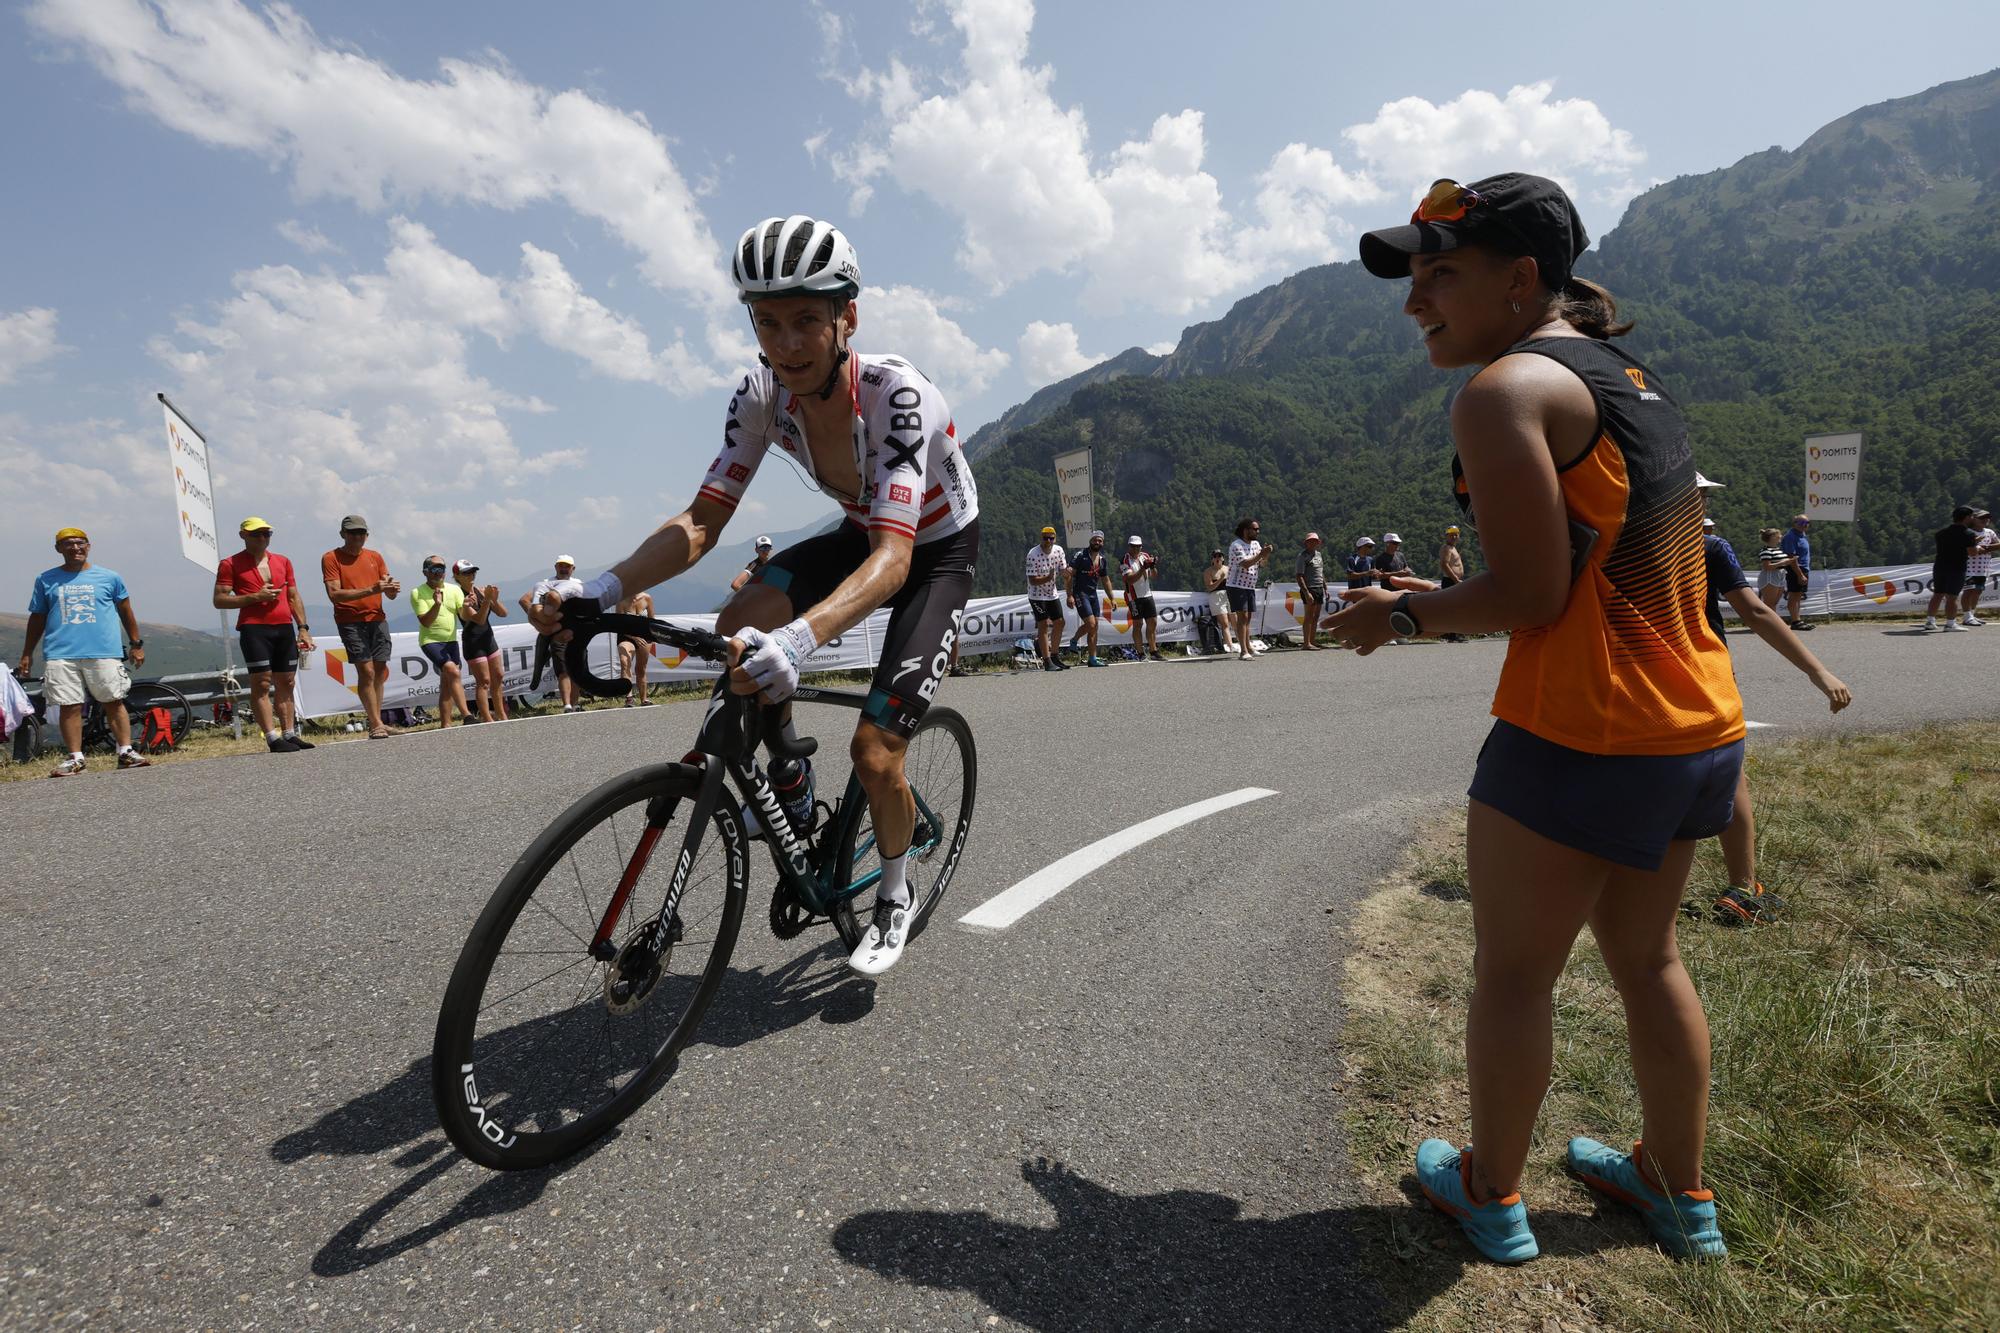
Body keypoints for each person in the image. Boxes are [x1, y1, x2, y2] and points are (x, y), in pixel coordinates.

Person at [1337, 172, 1747, 1263]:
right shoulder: (1624, 374)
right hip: (1696, 721)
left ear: (1519, 279)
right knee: (1649, 959)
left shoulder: (1501, 392)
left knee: (1514, 975)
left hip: (1581, 730)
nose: (1416, 298)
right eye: (1413, 275)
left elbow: (1529, 594)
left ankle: (1489, 1191)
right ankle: (1675, 1189)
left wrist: (1402, 612)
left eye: (1442, 274)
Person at [531, 214, 980, 978]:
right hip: (859, 530)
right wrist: (602, 586)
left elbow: (894, 558)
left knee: (876, 753)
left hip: (930, 549)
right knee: (738, 623)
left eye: (808, 320)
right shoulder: (760, 396)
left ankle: (896, 894)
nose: (788, 343)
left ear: (849, 319)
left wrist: (799, 642)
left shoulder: (898, 397)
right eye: (767, 323)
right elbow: (704, 521)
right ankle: (791, 779)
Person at [1697, 492, 1851, 924]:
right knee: (1729, 774)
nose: (1705, 506)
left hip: (1626, 674)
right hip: (1702, 672)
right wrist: (1818, 672)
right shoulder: (1709, 547)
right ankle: (1743, 889)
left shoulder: (1610, 541)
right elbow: (1756, 612)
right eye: (1701, 496)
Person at [16, 527, 151, 775]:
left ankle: (125, 752)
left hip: (103, 650)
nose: (75, 547)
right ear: (58, 549)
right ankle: (75, 758)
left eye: (80, 543)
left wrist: (136, 644)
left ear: (88, 546)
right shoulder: (45, 579)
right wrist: (27, 652)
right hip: (60, 653)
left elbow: (126, 611)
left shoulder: (110, 577)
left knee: (113, 700)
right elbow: (37, 617)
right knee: (69, 705)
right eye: (68, 544)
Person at [215, 517, 315, 754]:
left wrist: (303, 627)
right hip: (254, 628)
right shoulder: (230, 563)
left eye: (266, 534)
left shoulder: (283, 561)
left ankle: (290, 733)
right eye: (256, 534)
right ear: (243, 536)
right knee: (261, 683)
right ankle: (272, 737)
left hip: (283, 627)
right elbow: (219, 599)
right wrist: (254, 598)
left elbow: (293, 595)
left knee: (287, 682)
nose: (262, 538)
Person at [322, 515, 400, 739]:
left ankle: (378, 721)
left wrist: (391, 589)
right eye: (352, 533)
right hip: (350, 621)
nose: (357, 537)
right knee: (365, 671)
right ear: (343, 534)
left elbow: (388, 592)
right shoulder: (331, 557)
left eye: (361, 533)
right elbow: (334, 594)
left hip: (377, 618)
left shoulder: (375, 556)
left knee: (379, 671)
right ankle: (375, 723)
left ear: (367, 535)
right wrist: (372, 590)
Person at [413, 555, 470, 727]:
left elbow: (464, 617)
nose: (440, 573)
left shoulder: (454, 590)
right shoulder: (418, 592)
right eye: (435, 569)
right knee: (452, 671)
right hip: (430, 641)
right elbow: (426, 622)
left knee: (447, 683)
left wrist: (467, 606)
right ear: (426, 572)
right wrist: (437, 604)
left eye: (442, 569)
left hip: (451, 641)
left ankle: (445, 724)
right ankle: (467, 715)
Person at [522, 556, 585, 712]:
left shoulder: (579, 584)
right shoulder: (546, 584)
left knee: (577, 670)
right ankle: (567, 705)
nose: (564, 569)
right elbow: (524, 600)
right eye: (561, 566)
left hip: (577, 633)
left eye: (567, 566)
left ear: (573, 568)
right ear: (555, 567)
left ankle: (575, 704)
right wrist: (538, 619)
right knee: (563, 670)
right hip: (556, 633)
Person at [453, 559, 509, 723]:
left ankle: (501, 714)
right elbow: (479, 619)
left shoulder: (480, 590)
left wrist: (494, 600)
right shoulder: (459, 596)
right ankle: (487, 718)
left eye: (472, 572)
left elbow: (503, 613)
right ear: (457, 576)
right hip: (473, 642)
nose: (471, 575)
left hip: (488, 639)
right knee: (484, 681)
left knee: (498, 676)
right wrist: (486, 601)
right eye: (466, 573)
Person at [1924, 505, 1983, 632]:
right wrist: (1976, 546)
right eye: (1972, 516)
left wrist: (1972, 541)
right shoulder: (1969, 533)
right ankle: (1950, 624)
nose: (1972, 518)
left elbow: (1952, 544)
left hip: (1940, 566)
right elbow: (1972, 553)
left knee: (1938, 594)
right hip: (1956, 568)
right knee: (1952, 597)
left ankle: (1930, 621)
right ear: (1967, 517)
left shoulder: (1941, 533)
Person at [1225, 519, 1274, 660]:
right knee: (1243, 617)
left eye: (1258, 529)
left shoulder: (1256, 544)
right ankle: (1243, 651)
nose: (1258, 532)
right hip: (1236, 585)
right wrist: (1261, 554)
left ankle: (1249, 647)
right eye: (1255, 529)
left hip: (1249, 585)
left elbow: (1261, 564)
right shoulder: (1236, 545)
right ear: (1246, 530)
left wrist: (1266, 554)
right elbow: (1245, 564)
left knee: (1248, 618)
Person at [1025, 526, 1070, 671]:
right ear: (1041, 538)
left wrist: (1067, 574)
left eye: (1051, 538)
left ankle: (1055, 655)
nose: (1049, 541)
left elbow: (1064, 570)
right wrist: (1048, 577)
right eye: (1046, 538)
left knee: (1060, 622)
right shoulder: (1033, 554)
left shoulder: (1058, 550)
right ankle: (1046, 660)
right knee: (1043, 624)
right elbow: (1032, 580)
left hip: (1052, 594)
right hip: (1036, 595)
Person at [1068, 531, 1111, 667]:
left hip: (1093, 595)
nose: (1097, 543)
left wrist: (1112, 598)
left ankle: (1092, 658)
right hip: (1080, 593)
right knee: (1091, 624)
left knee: (1094, 627)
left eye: (1100, 541)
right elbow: (1069, 575)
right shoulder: (1081, 555)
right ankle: (1074, 639)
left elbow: (1105, 580)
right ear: (1090, 541)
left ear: (1102, 543)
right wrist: (1070, 595)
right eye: (1095, 540)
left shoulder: (1103, 560)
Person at [1122, 535, 1164, 661]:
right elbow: (1129, 580)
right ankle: (1140, 653)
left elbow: (1154, 576)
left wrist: (1152, 566)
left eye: (1138, 546)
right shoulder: (1124, 560)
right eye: (1133, 546)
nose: (1135, 549)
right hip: (1133, 597)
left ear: (1141, 546)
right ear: (1129, 546)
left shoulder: (1144, 556)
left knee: (1153, 622)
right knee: (1138, 624)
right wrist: (1142, 568)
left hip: (1147, 594)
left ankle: (1153, 650)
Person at [617, 589, 657, 704]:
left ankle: (644, 699)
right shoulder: (621, 601)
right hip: (626, 635)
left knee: (641, 669)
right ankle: (629, 697)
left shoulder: (647, 598)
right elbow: (618, 624)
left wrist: (653, 637)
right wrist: (634, 638)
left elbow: (652, 620)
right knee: (624, 662)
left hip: (644, 636)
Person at [1962, 507, 1996, 626]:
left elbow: (1997, 543)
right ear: (1974, 519)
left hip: (1984, 568)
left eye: (1987, 518)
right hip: (1969, 567)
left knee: (1977, 592)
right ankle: (1967, 616)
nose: (1985, 520)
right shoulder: (1968, 532)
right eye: (1981, 518)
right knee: (1969, 591)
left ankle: (1972, 615)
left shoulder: (1989, 532)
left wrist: (1988, 548)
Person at [1295, 532, 1328, 649]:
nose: (1313, 543)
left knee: (1316, 616)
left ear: (1318, 543)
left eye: (1315, 541)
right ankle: (1306, 643)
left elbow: (1320, 572)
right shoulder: (1302, 556)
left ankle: (1312, 641)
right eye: (1310, 541)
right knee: (1309, 616)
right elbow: (1299, 576)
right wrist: (1306, 592)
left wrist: (1325, 587)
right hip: (1309, 588)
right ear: (1306, 543)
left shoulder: (1318, 554)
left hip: (1319, 587)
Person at [1780, 514, 1813, 630]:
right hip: (1795, 569)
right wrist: (1799, 574)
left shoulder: (1802, 535)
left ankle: (1798, 619)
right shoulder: (1790, 537)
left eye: (1807, 523)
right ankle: (1795, 621)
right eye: (1801, 523)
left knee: (1798, 595)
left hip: (1803, 568)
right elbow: (1791, 557)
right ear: (1794, 524)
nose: (1804, 526)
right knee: (1794, 595)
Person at [1202, 548, 1236, 655]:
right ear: (1212, 559)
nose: (1218, 558)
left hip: (1229, 595)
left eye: (1219, 556)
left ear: (1223, 558)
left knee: (1236, 622)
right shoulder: (1208, 572)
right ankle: (1230, 646)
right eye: (1215, 556)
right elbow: (1209, 587)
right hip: (1216, 596)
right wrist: (1221, 579)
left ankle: (1244, 644)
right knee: (1225, 623)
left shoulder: (1228, 569)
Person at [1437, 525, 1468, 642]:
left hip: (1454, 580)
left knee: (1455, 607)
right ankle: (1451, 634)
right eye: (1451, 534)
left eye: (1456, 534)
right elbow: (1444, 564)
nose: (1454, 536)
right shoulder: (1446, 548)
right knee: (1452, 607)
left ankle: (1452, 633)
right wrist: (1455, 579)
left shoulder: (1453, 548)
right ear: (1446, 536)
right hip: (1450, 581)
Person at [1753, 527, 1794, 613]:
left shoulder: (1778, 549)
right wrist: (1783, 562)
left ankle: (1771, 623)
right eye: (1778, 535)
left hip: (1780, 575)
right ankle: (1767, 624)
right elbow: (1767, 567)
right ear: (1772, 537)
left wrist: (1788, 562)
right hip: (1770, 576)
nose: (1781, 536)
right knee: (1769, 603)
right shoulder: (1766, 551)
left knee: (1774, 603)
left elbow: (1781, 562)